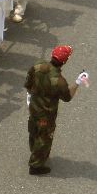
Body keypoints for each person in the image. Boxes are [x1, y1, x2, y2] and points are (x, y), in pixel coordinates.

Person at [25, 45, 86, 175]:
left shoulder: (37, 66)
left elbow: (28, 84)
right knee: (44, 139)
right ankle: (35, 166)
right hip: (46, 115)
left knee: (33, 131)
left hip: (34, 107)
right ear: (64, 61)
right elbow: (67, 97)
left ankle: (34, 151)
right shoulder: (59, 82)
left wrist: (32, 95)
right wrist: (77, 82)